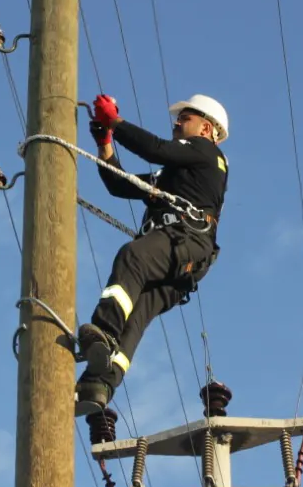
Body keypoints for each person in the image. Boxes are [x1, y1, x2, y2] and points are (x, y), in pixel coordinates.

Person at [74, 92, 230, 417]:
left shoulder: (205, 151)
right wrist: (105, 144)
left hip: (186, 239)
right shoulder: (175, 173)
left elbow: (155, 149)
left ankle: (103, 331)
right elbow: (121, 186)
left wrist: (114, 122)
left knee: (133, 257)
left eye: (185, 118)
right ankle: (99, 384)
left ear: (206, 129)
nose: (177, 123)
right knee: (137, 315)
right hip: (185, 260)